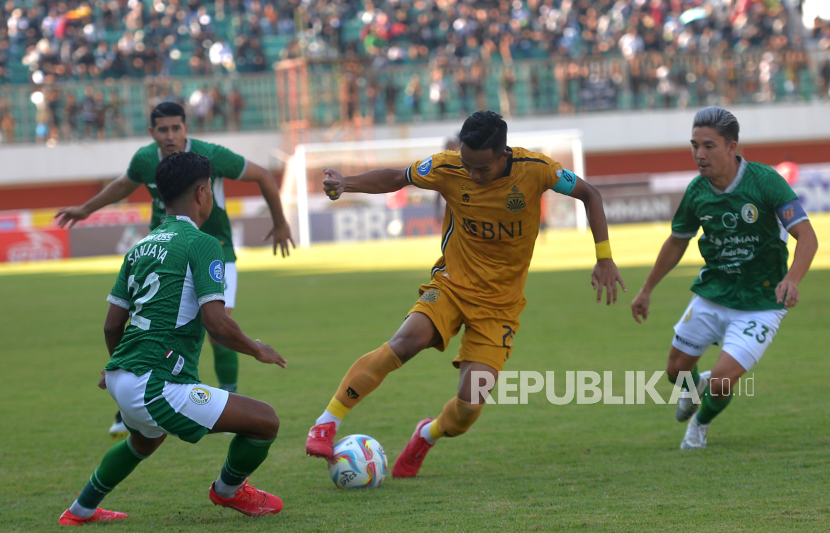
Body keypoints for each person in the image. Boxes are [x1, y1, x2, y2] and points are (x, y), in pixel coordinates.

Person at [305, 110, 625, 477]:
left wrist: (604, 258)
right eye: (467, 164)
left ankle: (427, 433)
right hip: (452, 285)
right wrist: (348, 183)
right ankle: (327, 421)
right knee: (405, 342)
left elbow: (590, 194)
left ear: (504, 155)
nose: (471, 174)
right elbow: (397, 177)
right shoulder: (448, 167)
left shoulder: (537, 169)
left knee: (468, 406)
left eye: (481, 168)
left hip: (500, 307)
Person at [58, 152, 287, 526]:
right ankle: (228, 490)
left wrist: (115, 365)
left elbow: (112, 325)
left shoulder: (139, 248)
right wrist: (256, 348)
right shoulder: (203, 243)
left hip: (124, 375)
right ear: (202, 192)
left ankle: (81, 509)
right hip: (155, 383)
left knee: (145, 441)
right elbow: (217, 323)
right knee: (266, 421)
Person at [55, 102, 293, 436]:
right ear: (152, 133)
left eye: (177, 128)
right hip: (166, 255)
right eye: (163, 130)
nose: (171, 136)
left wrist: (280, 223)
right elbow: (124, 185)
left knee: (217, 329)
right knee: (146, 327)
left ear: (186, 128)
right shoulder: (144, 160)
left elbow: (264, 175)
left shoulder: (210, 156)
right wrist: (86, 209)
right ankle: (132, 405)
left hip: (216, 252)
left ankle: (228, 398)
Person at [630, 107, 818, 450]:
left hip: (761, 302)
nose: (699, 154)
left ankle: (700, 424)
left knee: (720, 382)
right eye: (694, 145)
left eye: (709, 146)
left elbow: (807, 236)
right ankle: (691, 389)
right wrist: (646, 289)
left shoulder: (764, 181)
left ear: (731, 147)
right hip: (713, 293)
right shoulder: (697, 192)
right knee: (675, 370)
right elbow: (677, 240)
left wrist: (792, 278)